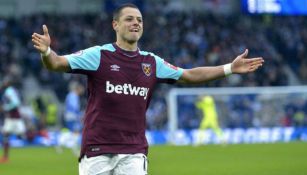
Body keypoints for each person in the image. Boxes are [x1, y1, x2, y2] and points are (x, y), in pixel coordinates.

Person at [31, 3, 264, 175]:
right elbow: (57, 63)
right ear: (115, 24)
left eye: (140, 20)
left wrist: (229, 68)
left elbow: (189, 75)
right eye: (130, 19)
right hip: (97, 149)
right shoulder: (99, 55)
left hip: (134, 151)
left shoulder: (152, 63)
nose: (136, 23)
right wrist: (46, 52)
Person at [0, 76, 26, 163]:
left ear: (8, 83)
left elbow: (16, 103)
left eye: (5, 82)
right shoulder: (12, 90)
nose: (4, 83)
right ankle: (5, 157)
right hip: (12, 117)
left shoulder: (9, 91)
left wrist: (5, 108)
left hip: (14, 117)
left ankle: (5, 157)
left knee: (20, 134)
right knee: (6, 134)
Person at [56, 81, 84, 156]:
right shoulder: (73, 95)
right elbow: (73, 107)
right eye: (81, 89)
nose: (82, 91)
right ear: (78, 89)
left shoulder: (71, 95)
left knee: (72, 132)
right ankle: (74, 149)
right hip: (72, 116)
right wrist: (78, 114)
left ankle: (62, 145)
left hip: (69, 116)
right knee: (75, 132)